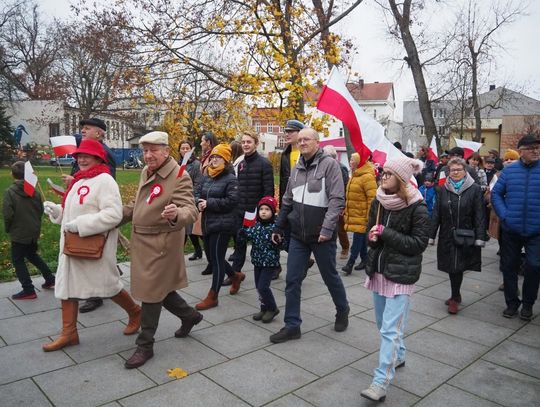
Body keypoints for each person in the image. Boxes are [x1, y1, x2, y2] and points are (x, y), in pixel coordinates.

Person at [41, 139, 141, 352]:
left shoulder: (105, 180)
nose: (82, 159)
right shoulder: (78, 180)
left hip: (94, 246)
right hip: (72, 245)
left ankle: (135, 312)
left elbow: (113, 214)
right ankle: (69, 333)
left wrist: (80, 225)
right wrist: (57, 212)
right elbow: (73, 211)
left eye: (87, 156)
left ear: (98, 158)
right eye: (79, 156)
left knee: (108, 285)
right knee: (65, 287)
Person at [121, 131, 202, 369]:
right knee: (160, 291)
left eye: (153, 150)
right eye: (145, 150)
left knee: (150, 294)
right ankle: (190, 316)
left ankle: (145, 345)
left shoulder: (179, 175)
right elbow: (138, 205)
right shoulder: (147, 172)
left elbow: (191, 209)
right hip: (142, 242)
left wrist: (177, 214)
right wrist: (110, 218)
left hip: (161, 244)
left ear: (166, 151)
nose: (148, 155)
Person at [360, 156, 430, 402]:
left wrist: (386, 233)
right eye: (383, 173)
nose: (383, 176)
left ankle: (380, 382)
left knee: (390, 329)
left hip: (402, 275)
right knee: (382, 325)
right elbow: (369, 234)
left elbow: (419, 244)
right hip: (379, 270)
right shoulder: (378, 201)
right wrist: (372, 237)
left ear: (401, 179)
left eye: (389, 174)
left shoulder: (417, 207)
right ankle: (398, 355)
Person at [270, 128, 349, 343]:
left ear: (317, 142)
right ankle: (292, 325)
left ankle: (342, 309)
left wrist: (327, 229)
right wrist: (278, 226)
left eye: (307, 139)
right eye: (300, 139)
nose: (302, 142)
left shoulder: (329, 166)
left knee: (329, 276)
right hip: (298, 235)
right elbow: (287, 200)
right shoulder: (297, 169)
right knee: (292, 280)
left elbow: (336, 200)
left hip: (321, 235)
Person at [63, 118, 117, 314]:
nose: (83, 131)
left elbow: (105, 184)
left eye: (87, 128)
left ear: (100, 133)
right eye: (82, 128)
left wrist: (81, 181)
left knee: (100, 271)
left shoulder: (105, 156)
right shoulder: (83, 158)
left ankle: (100, 297)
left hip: (91, 222)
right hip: (78, 220)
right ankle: (69, 331)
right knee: (68, 278)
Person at [491, 135, 540, 321]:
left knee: (534, 266)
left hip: (536, 231)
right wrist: (505, 215)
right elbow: (496, 194)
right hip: (512, 228)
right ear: (521, 151)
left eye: (537, 147)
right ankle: (512, 303)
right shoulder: (509, 171)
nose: (535, 151)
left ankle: (528, 304)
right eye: (531, 148)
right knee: (509, 267)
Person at [429, 157, 487, 315]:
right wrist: (431, 235)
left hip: (466, 233)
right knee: (450, 266)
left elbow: (480, 214)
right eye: (452, 170)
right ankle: (456, 293)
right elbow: (436, 213)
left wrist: (480, 237)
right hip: (447, 233)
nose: (455, 172)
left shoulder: (474, 189)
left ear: (465, 171)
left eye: (458, 170)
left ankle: (454, 298)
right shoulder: (443, 189)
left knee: (458, 265)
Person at [194, 143, 243, 310]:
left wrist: (210, 203)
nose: (214, 160)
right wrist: (198, 203)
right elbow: (198, 192)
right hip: (208, 222)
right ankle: (235, 275)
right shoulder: (207, 175)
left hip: (223, 224)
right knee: (214, 257)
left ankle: (213, 296)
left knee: (216, 261)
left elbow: (232, 201)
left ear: (226, 160)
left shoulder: (231, 179)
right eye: (213, 157)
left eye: (218, 157)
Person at [3, 161, 55, 299]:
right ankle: (50, 279)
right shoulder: (34, 192)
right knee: (32, 255)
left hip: (19, 232)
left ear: (12, 174)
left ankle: (28, 289)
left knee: (18, 259)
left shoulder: (10, 192)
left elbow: (8, 215)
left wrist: (8, 228)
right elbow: (40, 210)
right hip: (33, 230)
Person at [229, 131, 274, 277]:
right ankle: (236, 274)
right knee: (240, 241)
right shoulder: (241, 164)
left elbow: (269, 191)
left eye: (249, 142)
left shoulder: (264, 164)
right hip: (241, 210)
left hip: (257, 211)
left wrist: (265, 212)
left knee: (262, 243)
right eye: (243, 142)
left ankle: (275, 266)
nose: (245, 145)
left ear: (255, 143)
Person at [277, 119, 315, 278]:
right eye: (285, 131)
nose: (286, 134)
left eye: (290, 131)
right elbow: (283, 181)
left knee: (298, 237)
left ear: (300, 133)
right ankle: (304, 261)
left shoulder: (305, 154)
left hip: (304, 203)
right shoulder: (285, 155)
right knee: (283, 236)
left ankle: (298, 267)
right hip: (288, 203)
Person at [238, 196, 281, 323]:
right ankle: (264, 308)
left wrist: (279, 242)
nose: (263, 211)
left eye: (267, 209)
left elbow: (283, 244)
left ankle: (272, 308)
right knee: (258, 286)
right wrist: (243, 234)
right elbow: (250, 235)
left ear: (273, 212)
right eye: (261, 209)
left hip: (269, 262)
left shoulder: (275, 227)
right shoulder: (256, 225)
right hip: (257, 261)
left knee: (263, 286)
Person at [341, 153, 377, 274]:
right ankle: (365, 260)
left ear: (358, 162)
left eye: (352, 159)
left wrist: (369, 217)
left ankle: (350, 263)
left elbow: (372, 199)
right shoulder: (355, 175)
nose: (350, 161)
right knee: (360, 239)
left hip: (363, 215)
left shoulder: (367, 177)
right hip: (355, 214)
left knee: (357, 239)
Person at [323, 145, 350, 259]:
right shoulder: (323, 167)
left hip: (338, 201)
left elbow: (344, 187)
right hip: (325, 200)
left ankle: (345, 247)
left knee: (340, 227)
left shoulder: (341, 167)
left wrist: (343, 205)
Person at [178, 140, 203, 261]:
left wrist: (194, 199)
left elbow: (198, 184)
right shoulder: (178, 165)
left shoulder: (196, 164)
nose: (184, 150)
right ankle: (197, 251)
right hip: (179, 200)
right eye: (182, 148)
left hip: (192, 198)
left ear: (191, 150)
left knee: (194, 229)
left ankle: (208, 253)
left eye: (187, 148)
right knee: (187, 228)